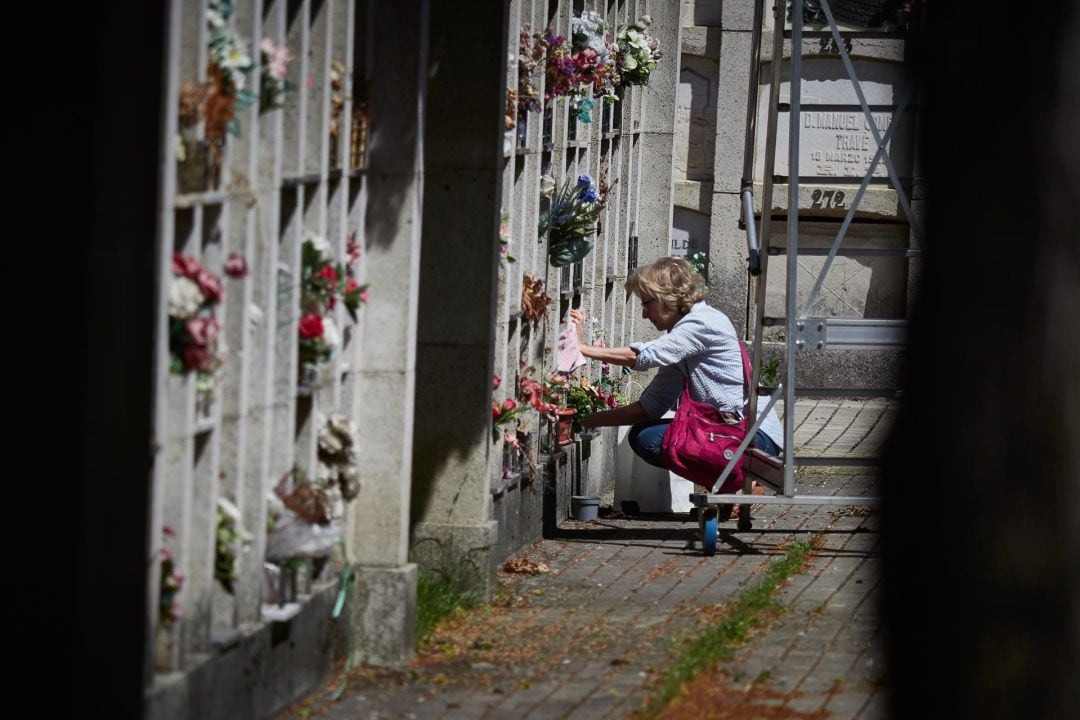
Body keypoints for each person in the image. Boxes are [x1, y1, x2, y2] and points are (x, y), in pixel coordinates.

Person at [568, 257, 783, 486]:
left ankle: (738, 483)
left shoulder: (702, 323)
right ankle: (736, 484)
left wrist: (582, 349)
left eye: (646, 303)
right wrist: (587, 421)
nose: (644, 314)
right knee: (643, 436)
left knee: (654, 440)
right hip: (732, 433)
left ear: (666, 298)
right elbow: (651, 406)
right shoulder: (681, 340)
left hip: (753, 439)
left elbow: (643, 356)